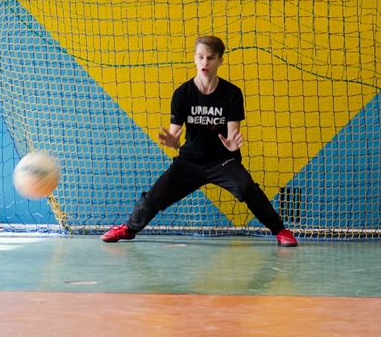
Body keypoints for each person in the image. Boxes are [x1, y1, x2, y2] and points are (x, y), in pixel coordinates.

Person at [102, 35, 298, 248]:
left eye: (211, 58)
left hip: (222, 161)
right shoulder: (182, 94)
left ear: (220, 60)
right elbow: (175, 134)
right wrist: (173, 142)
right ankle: (129, 229)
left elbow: (233, 133)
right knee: (155, 195)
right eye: (201, 57)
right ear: (194, 58)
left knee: (247, 188)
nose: (205, 62)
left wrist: (232, 145)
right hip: (190, 161)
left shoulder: (232, 93)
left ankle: (281, 230)